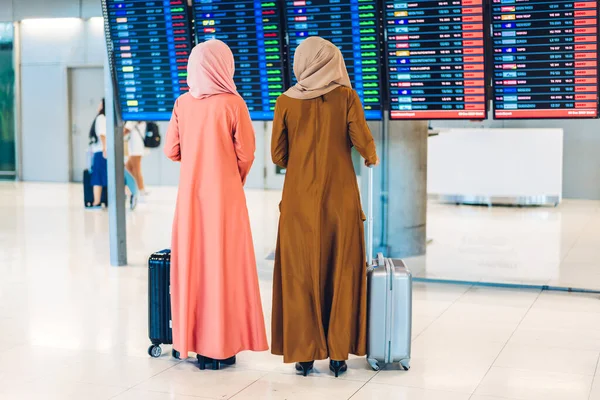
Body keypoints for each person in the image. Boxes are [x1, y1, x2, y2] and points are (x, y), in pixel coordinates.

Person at [270, 37, 379, 377]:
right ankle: (337, 355)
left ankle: (304, 355)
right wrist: (371, 156)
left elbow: (278, 155)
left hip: (299, 201)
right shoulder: (346, 97)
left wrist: (301, 160)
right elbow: (363, 142)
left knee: (300, 272)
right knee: (341, 270)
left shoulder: (285, 101)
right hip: (340, 200)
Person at [164, 39, 269, 368]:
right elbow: (247, 154)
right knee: (224, 268)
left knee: (194, 267)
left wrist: (195, 159)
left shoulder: (183, 103)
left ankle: (192, 344)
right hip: (225, 200)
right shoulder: (234, 103)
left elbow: (171, 150)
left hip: (191, 199)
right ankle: (222, 347)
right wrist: (231, 174)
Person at [88, 98, 107, 209]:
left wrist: (104, 149)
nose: (98, 105)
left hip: (101, 151)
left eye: (100, 103)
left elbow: (102, 134)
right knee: (105, 176)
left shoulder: (101, 118)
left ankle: (96, 201)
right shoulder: (106, 118)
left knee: (97, 177)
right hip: (102, 150)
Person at [124, 120, 148, 195]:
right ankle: (136, 188)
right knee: (128, 168)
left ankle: (141, 190)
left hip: (136, 150)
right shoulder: (140, 120)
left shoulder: (133, 119)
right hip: (135, 149)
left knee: (136, 170)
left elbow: (125, 131)